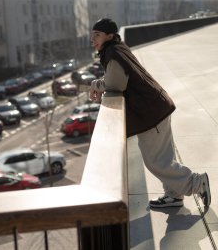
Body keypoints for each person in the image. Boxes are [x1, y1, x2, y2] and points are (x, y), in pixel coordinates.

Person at [89, 18, 211, 208]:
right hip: (156, 106)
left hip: (151, 111)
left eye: (97, 35)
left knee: (156, 161)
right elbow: (116, 77)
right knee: (163, 158)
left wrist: (96, 84)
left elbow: (116, 83)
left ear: (109, 36)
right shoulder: (118, 48)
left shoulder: (112, 52)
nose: (92, 39)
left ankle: (196, 183)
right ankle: (174, 194)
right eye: (92, 35)